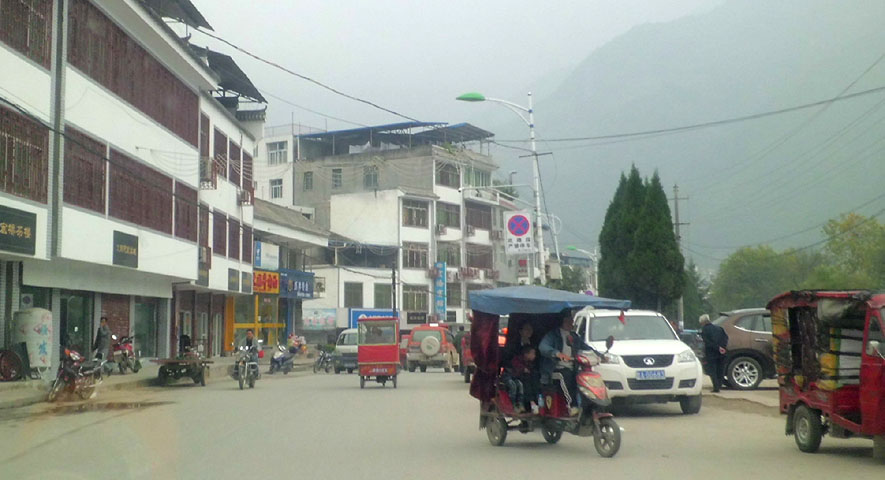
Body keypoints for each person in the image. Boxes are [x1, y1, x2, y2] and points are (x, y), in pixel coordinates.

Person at [539, 309, 590, 415]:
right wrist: (557, 353)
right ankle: (572, 406)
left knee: (585, 379)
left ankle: (588, 406)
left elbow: (586, 347)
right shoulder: (553, 335)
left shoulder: (574, 336)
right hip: (557, 368)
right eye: (569, 320)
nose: (572, 323)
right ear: (563, 321)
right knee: (566, 378)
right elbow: (543, 347)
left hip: (573, 367)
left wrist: (600, 355)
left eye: (572, 320)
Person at [699, 314, 729, 392]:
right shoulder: (719, 328)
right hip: (722, 353)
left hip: (711, 353)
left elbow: (707, 342)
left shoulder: (705, 330)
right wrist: (722, 347)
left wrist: (717, 348)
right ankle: (719, 385)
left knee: (713, 371)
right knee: (720, 370)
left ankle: (716, 387)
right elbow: (726, 338)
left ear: (702, 322)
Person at [508, 345, 539, 413]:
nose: (534, 356)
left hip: (528, 379)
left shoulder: (530, 363)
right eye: (532, 353)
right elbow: (517, 370)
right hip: (516, 378)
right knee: (526, 382)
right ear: (526, 354)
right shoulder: (516, 360)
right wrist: (523, 370)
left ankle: (536, 401)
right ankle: (530, 402)